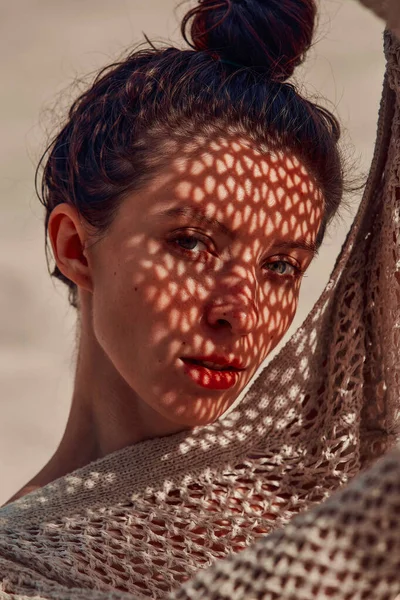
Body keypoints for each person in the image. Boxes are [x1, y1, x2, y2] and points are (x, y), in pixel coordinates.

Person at [1, 0, 400, 599]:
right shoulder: (21, 572)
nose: (239, 312)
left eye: (281, 266)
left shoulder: (336, 470)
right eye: (190, 242)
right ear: (75, 249)